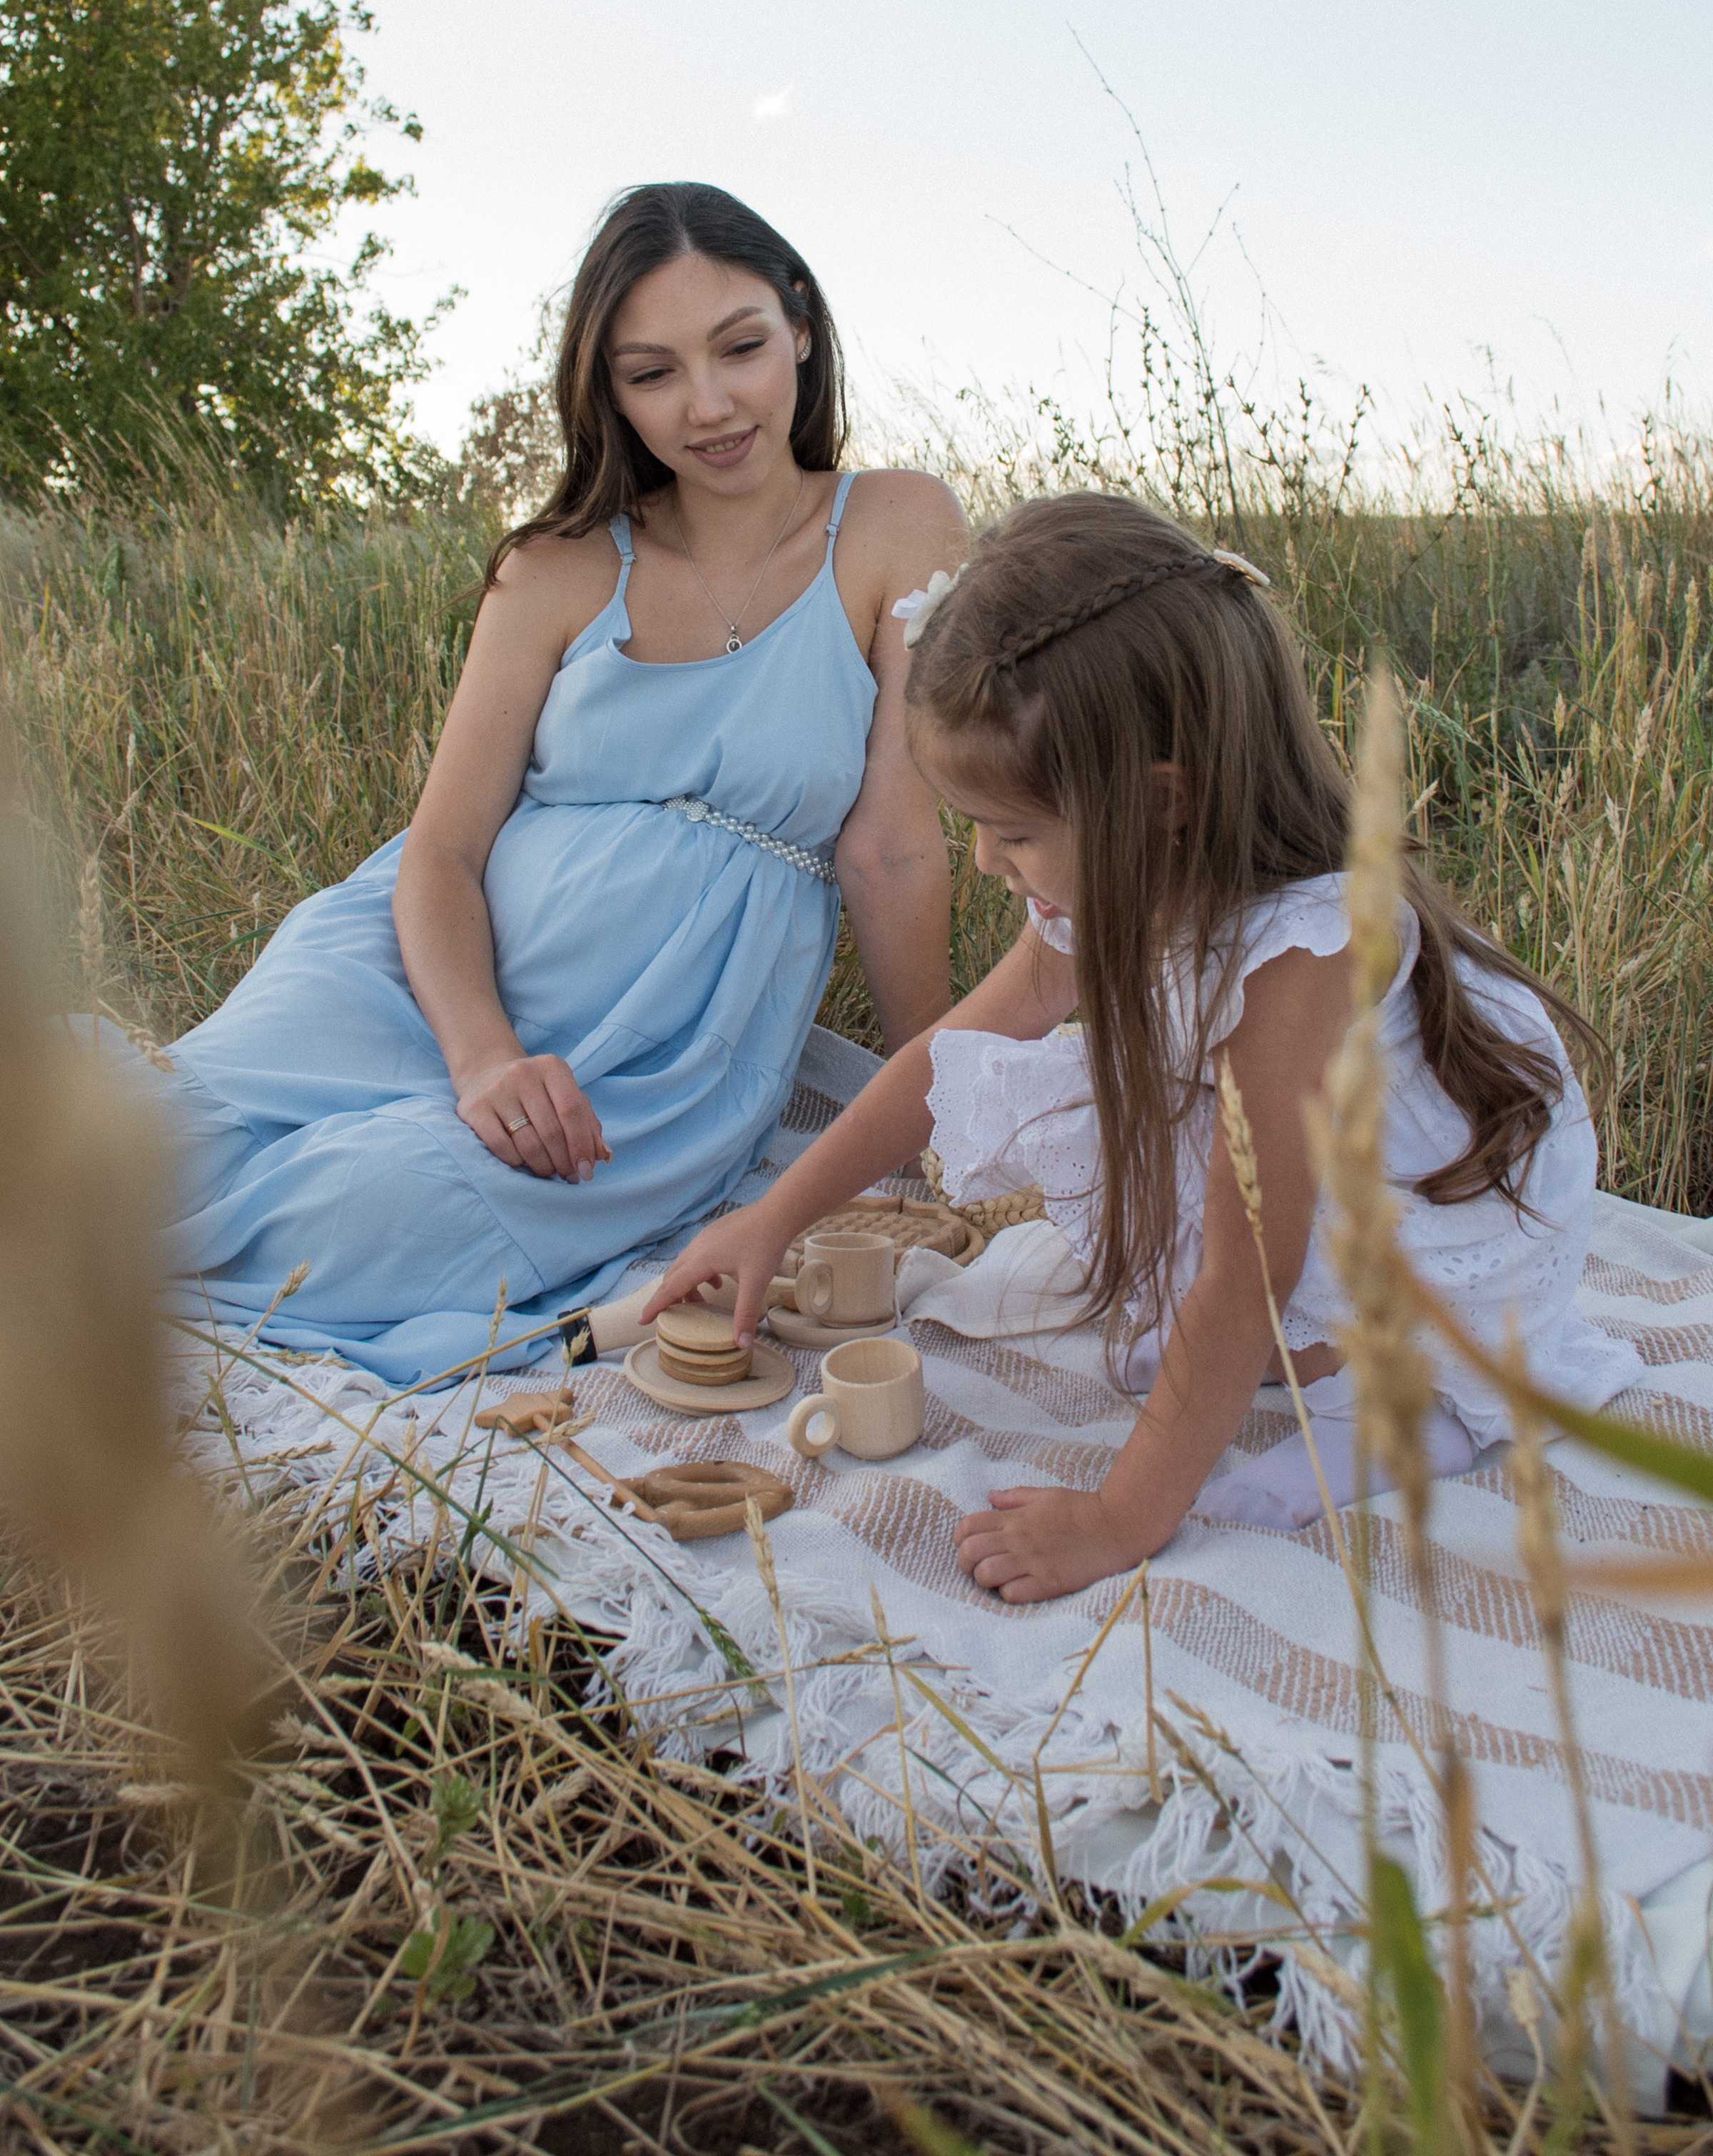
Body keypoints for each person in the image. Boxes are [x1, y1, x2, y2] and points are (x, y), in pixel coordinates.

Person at [646, 491, 1642, 1601]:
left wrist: (1122, 1515)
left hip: (1438, 1214)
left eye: (1013, 831)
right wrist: (779, 1213)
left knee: (1256, 1324)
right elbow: (951, 1051)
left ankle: (1423, 1400)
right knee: (1215, 1310)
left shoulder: (1300, 956)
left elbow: (1250, 1267)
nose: (986, 863)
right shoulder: (1125, 875)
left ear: (1160, 803)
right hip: (1309, 1167)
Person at [142, 183, 966, 1384]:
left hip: (650, 1054)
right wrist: (482, 1056)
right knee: (142, 1147)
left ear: (799, 323)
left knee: (362, 1227)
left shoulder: (895, 523)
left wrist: (937, 1110)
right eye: (653, 373)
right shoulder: (558, 566)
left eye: (739, 347)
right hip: (414, 975)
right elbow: (441, 852)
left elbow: (888, 850)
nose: (708, 405)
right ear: (607, 392)